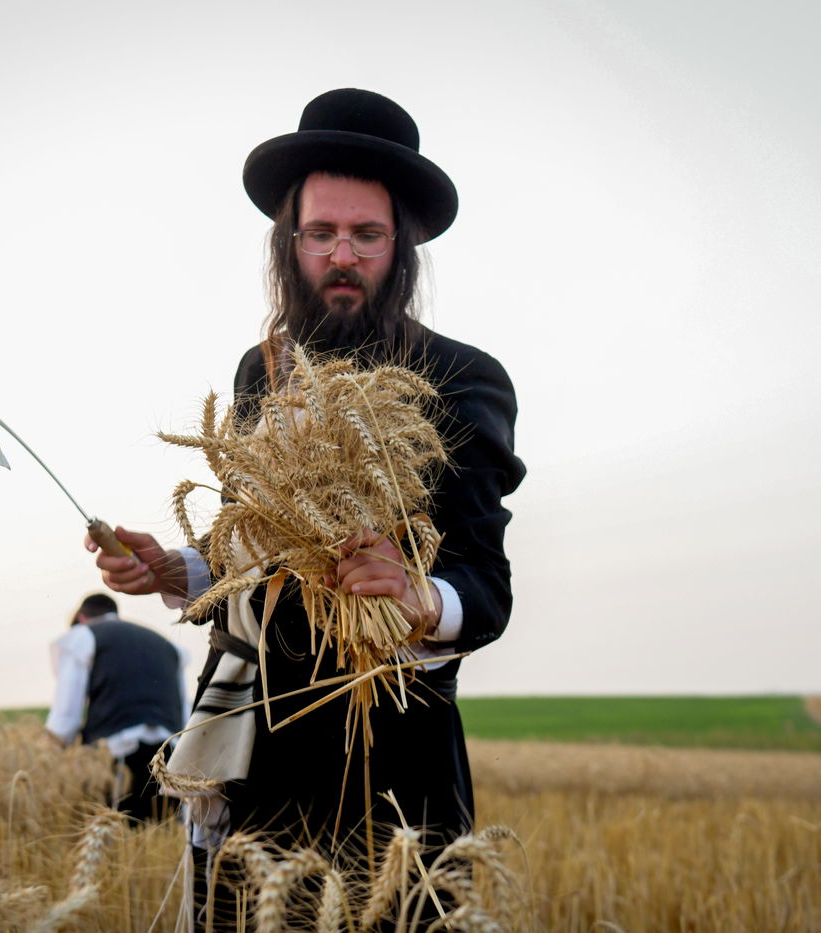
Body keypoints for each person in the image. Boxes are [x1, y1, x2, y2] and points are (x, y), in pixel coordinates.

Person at [86, 88, 525, 921]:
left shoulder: (467, 379)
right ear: (290, 243)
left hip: (387, 763)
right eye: (320, 233)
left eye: (366, 234)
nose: (342, 256)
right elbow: (259, 541)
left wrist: (414, 592)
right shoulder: (263, 372)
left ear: (402, 248)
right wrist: (178, 565)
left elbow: (487, 585)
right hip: (252, 748)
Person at [45, 592, 187, 822]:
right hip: (168, 759)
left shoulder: (83, 635)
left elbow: (65, 716)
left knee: (115, 840)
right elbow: (184, 708)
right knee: (159, 840)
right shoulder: (165, 644)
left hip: (114, 759)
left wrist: (53, 759)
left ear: (81, 619)